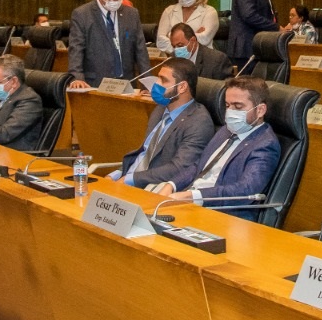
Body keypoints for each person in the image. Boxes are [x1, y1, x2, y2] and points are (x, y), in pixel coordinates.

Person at [151, 75, 279, 221]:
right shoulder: (226, 130)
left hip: (223, 216)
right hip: (190, 203)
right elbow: (199, 165)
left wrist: (194, 196)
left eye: (238, 107)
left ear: (261, 110)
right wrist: (171, 185)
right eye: (227, 105)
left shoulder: (265, 144)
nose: (230, 112)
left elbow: (245, 190)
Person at [107, 57, 215, 189]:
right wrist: (116, 174)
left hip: (154, 188)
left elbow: (179, 168)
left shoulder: (199, 121)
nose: (156, 84)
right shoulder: (160, 110)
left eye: (163, 80)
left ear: (182, 87)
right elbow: (145, 153)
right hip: (130, 181)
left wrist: (130, 179)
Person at [68, 0, 151, 88]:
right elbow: (76, 49)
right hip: (95, 83)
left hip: (127, 83)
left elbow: (141, 50)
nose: (116, 0)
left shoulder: (131, 14)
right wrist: (76, 78)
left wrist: (147, 83)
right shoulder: (82, 14)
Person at [154, 0, 219, 53]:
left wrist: (171, 36)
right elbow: (160, 41)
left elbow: (204, 39)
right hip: (174, 60)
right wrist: (192, 37)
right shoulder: (169, 11)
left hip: (202, 60)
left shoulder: (209, 12)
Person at [168, 22, 232, 80]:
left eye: (180, 45)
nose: (176, 50)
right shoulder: (172, 58)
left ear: (193, 41)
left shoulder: (217, 60)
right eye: (174, 46)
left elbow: (224, 89)